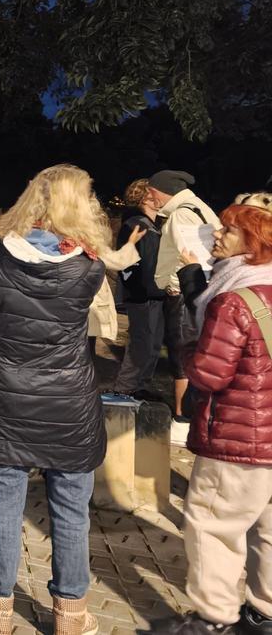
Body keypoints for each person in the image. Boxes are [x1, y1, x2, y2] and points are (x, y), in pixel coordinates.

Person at [0, 164, 109, 635]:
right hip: (70, 401)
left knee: (3, 504)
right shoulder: (89, 265)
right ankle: (71, 613)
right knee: (70, 509)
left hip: (9, 399)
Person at [148, 193, 272, 635]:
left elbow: (209, 374)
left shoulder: (233, 301)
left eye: (229, 229)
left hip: (238, 436)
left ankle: (213, 619)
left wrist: (187, 349)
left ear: (253, 242)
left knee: (213, 525)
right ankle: (264, 613)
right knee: (267, 528)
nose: (217, 234)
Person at [148, 169, 220, 432]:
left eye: (150, 191)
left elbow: (186, 252)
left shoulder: (181, 214)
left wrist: (175, 287)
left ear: (163, 191)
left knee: (182, 354)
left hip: (185, 291)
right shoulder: (199, 207)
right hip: (200, 287)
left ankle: (182, 417)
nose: (148, 196)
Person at [111, 179, 178, 400]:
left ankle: (139, 386)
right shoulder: (138, 224)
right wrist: (145, 289)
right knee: (142, 343)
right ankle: (125, 388)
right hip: (143, 295)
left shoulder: (152, 225)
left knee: (152, 343)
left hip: (153, 294)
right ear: (145, 197)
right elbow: (136, 264)